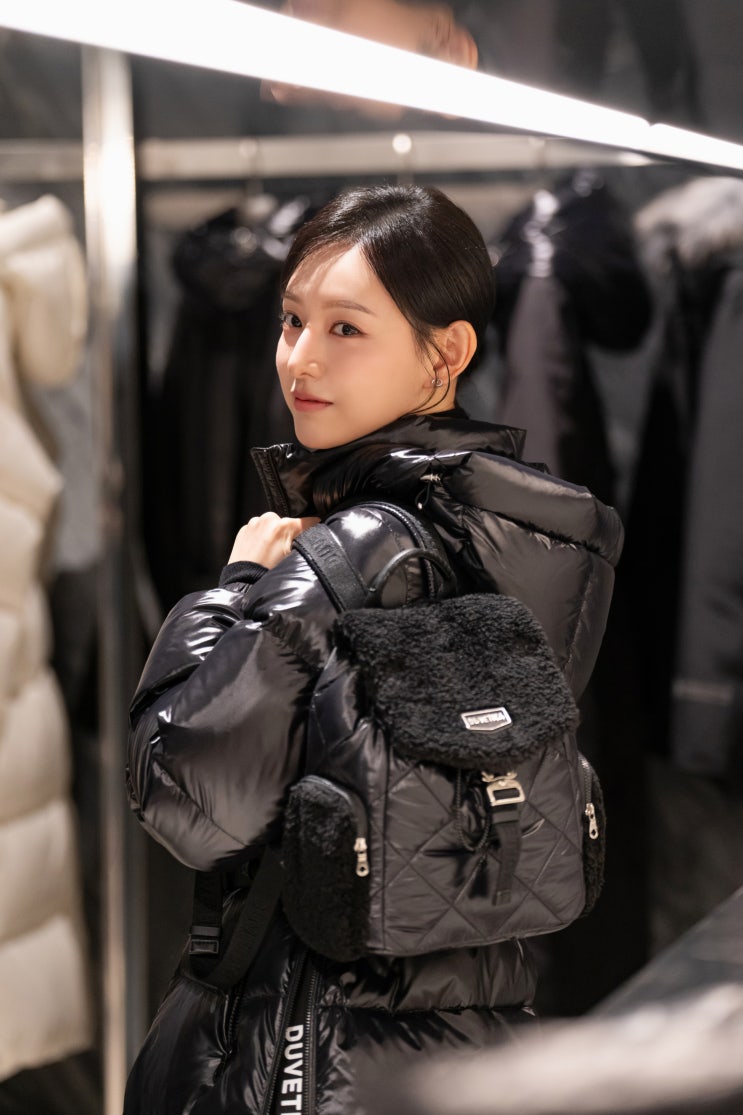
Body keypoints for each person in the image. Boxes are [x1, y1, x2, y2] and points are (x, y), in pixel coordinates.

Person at [123, 184, 623, 1114]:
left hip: (301, 1051)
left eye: (345, 328)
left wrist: (234, 585)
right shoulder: (545, 545)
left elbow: (186, 799)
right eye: (291, 320)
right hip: (473, 1042)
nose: (299, 358)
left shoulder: (349, 554)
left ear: (447, 353)